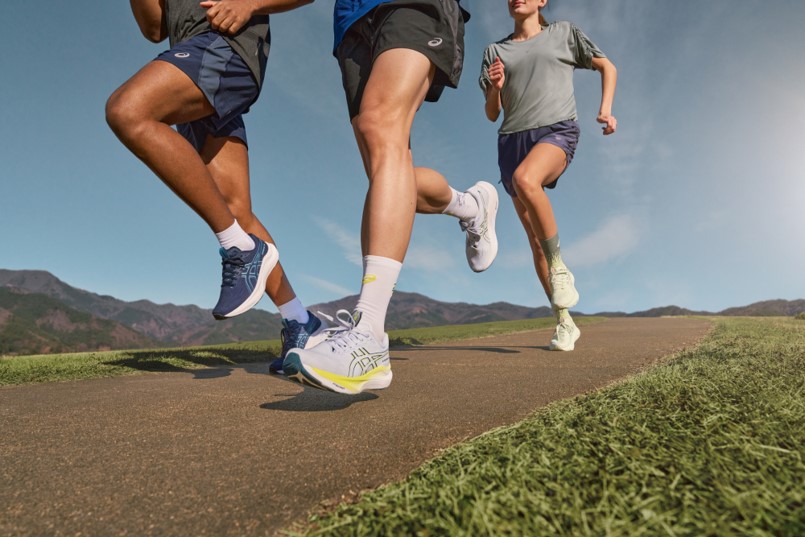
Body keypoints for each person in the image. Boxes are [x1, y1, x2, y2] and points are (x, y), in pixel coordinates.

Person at [274, 0, 498, 395]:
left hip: (411, 4)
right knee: (387, 177)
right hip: (351, 21)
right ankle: (470, 205)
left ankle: (369, 332)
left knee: (381, 123)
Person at [105, 0, 327, 367]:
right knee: (236, 208)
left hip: (222, 47)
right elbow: (154, 28)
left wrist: (251, 4)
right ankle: (300, 320)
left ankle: (238, 248)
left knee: (128, 110)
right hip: (188, 59)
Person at [480, 0, 617, 351]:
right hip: (511, 141)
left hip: (556, 131)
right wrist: (495, 87)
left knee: (528, 180)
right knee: (535, 242)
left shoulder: (564, 33)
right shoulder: (495, 51)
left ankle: (560, 268)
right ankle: (565, 322)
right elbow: (492, 113)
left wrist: (605, 111)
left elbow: (606, 66)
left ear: (542, 1)